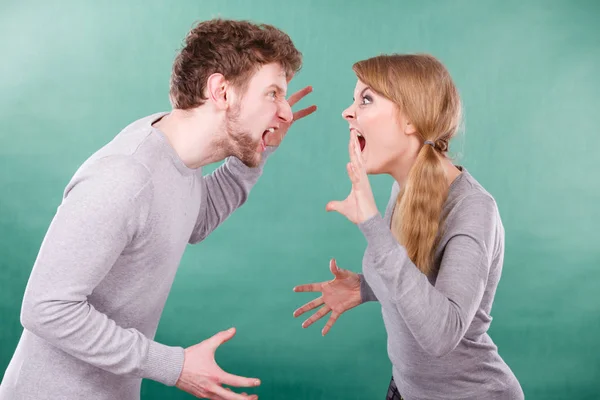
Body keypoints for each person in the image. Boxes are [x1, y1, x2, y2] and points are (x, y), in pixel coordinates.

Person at [0, 18, 316, 400]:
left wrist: (260, 149)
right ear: (221, 91)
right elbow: (45, 308)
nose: (284, 112)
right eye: (273, 94)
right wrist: (174, 366)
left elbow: (193, 220)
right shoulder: (126, 178)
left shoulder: (177, 156)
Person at [293, 54, 524, 400]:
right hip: (405, 389)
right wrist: (365, 288)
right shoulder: (403, 186)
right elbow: (414, 277)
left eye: (366, 99)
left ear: (410, 120)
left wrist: (372, 225)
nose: (348, 112)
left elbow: (441, 334)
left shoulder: (474, 209)